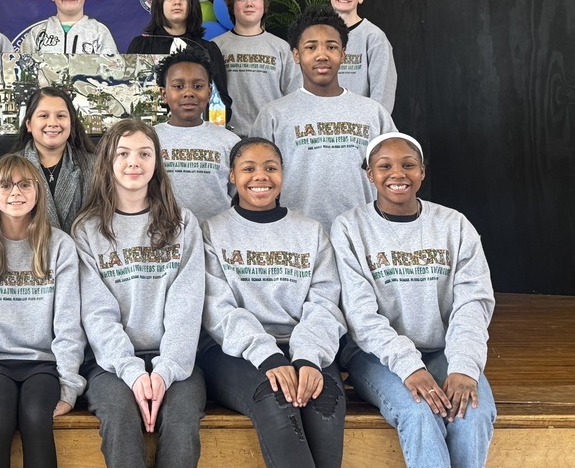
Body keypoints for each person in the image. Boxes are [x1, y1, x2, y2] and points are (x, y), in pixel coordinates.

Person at [332, 133, 496, 468]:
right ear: (369, 174)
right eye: (384, 166)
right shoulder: (349, 227)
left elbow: (473, 303)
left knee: (472, 412)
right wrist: (409, 367)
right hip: (374, 356)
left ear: (422, 172)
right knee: (420, 411)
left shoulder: (454, 225)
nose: (397, 174)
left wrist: (464, 367)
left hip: (442, 350)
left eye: (408, 165)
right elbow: (360, 315)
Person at [200, 137, 346, 468]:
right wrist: (268, 357)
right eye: (248, 168)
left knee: (324, 411)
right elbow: (217, 308)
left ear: (283, 174)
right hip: (234, 351)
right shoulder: (212, 231)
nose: (260, 176)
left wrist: (308, 358)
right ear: (232, 176)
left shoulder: (311, 231)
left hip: (306, 347)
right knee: (278, 406)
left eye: (270, 168)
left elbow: (324, 303)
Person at [72, 119, 206, 468]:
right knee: (119, 417)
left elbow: (186, 307)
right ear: (107, 162)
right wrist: (132, 372)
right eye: (124, 153)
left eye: (145, 153)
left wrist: (164, 372)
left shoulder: (183, 224)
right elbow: (96, 314)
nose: (134, 162)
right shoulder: (87, 230)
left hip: (177, 360)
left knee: (181, 420)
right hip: (109, 363)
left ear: (157, 163)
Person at [0, 155, 85, 468]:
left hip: (43, 364)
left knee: (37, 416)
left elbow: (68, 325)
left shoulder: (60, 246)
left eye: (25, 184)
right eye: (6, 185)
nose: (16, 192)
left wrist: (68, 386)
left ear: (38, 192)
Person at [251, 5, 396, 234]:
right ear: (296, 55)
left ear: (343, 53)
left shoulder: (373, 113)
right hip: (296, 238)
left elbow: (393, 177)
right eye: (311, 47)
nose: (322, 55)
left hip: (363, 236)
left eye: (331, 46)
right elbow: (257, 183)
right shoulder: (273, 116)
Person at [127, 0, 232, 123]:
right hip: (150, 134)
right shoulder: (141, 45)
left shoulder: (208, 49)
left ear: (192, 3)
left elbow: (222, 102)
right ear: (159, 3)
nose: (177, 2)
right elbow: (129, 96)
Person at [154, 47, 239, 221]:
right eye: (178, 86)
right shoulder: (149, 139)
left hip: (216, 239)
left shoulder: (230, 142)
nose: (189, 93)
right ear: (164, 94)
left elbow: (238, 194)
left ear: (208, 92)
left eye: (198, 86)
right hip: (162, 239)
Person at [212, 0, 301, 135]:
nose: (249, 4)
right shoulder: (216, 47)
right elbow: (209, 95)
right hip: (227, 136)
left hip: (270, 135)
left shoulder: (281, 48)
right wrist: (217, 132)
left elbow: (294, 96)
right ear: (232, 7)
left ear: (264, 6)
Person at [9, 86, 96, 233]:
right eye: (44, 116)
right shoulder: (8, 168)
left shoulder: (94, 166)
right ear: (29, 124)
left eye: (61, 116)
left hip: (82, 254)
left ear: (71, 123)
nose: (53, 123)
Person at [325, 0, 397, 114]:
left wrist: (373, 127)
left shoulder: (374, 38)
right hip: (321, 126)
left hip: (360, 129)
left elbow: (383, 92)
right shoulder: (316, 35)